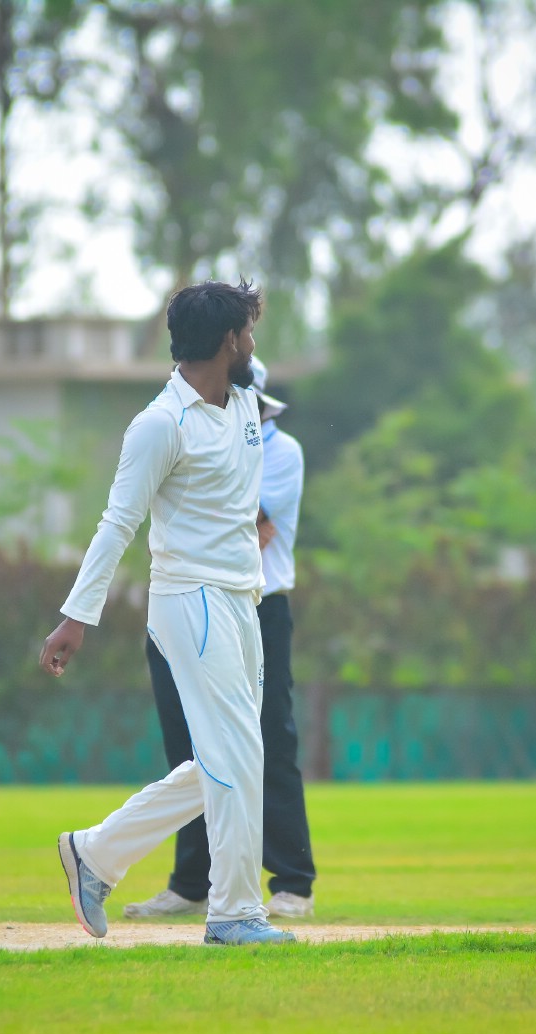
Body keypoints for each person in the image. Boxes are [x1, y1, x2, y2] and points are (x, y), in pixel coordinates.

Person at [38, 279, 295, 947]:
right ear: (228, 341)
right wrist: (76, 617)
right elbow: (117, 523)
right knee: (235, 755)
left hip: (242, 599)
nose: (254, 342)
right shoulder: (160, 424)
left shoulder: (244, 402)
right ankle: (234, 914)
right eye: (248, 331)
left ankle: (95, 853)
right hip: (190, 601)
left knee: (229, 756)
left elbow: (242, 479)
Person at [123, 355, 317, 920]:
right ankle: (192, 883)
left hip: (257, 605)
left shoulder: (279, 449)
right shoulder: (187, 430)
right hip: (187, 602)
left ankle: (292, 882)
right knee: (187, 745)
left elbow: (251, 528)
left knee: (268, 739)